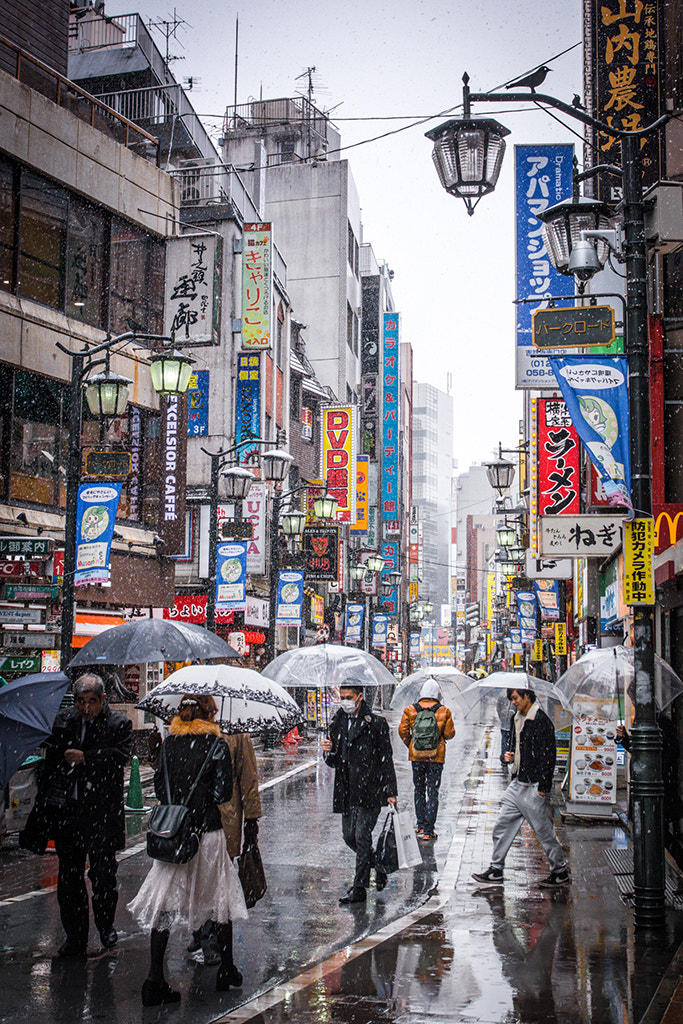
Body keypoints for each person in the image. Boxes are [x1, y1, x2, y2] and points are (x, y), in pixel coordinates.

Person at [127, 695, 247, 1006]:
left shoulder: (169, 744)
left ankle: (154, 977)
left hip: (174, 833)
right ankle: (227, 968)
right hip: (206, 834)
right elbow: (222, 794)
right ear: (209, 713)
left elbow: (161, 788)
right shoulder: (216, 745)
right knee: (220, 898)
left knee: (165, 904)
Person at [22, 673, 132, 956]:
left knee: (103, 877)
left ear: (103, 699)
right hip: (68, 814)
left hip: (101, 815)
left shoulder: (119, 724)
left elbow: (120, 757)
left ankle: (106, 925)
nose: (86, 708)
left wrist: (87, 758)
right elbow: (52, 766)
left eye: (92, 702)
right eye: (81, 702)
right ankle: (75, 938)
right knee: (69, 879)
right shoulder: (64, 722)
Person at [472, 687, 570, 889]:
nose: (513, 702)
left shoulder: (541, 721)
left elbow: (548, 756)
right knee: (502, 825)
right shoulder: (517, 718)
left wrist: (543, 787)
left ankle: (560, 871)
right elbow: (515, 749)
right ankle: (496, 869)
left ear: (527, 696)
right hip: (518, 783)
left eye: (515, 698)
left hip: (534, 786)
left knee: (544, 832)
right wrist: (506, 757)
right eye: (511, 699)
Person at [188, 731, 263, 965]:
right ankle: (200, 930)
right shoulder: (190, 730)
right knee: (197, 877)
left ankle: (210, 936)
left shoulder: (236, 733)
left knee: (218, 883)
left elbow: (248, 776)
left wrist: (252, 817)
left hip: (224, 819)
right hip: (194, 820)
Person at [322, 684, 398, 904]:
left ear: (360, 697)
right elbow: (334, 761)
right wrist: (328, 751)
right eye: (342, 697)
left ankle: (360, 887)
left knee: (361, 836)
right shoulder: (338, 722)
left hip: (370, 789)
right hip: (346, 788)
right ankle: (378, 866)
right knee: (349, 836)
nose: (345, 701)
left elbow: (387, 759)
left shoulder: (376, 724)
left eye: (349, 697)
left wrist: (390, 791)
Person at [398, 680, 455, 840]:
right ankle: (429, 830)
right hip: (436, 758)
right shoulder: (444, 711)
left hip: (417, 757)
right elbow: (450, 734)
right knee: (433, 791)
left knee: (419, 790)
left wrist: (411, 743)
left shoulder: (410, 710)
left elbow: (402, 730)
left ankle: (421, 825)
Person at [497, 689, 515, 766]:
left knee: (505, 740)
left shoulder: (502, 695)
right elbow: (498, 707)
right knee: (509, 740)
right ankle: (506, 757)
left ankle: (506, 757)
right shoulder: (514, 695)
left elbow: (498, 707)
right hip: (507, 722)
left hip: (509, 722)